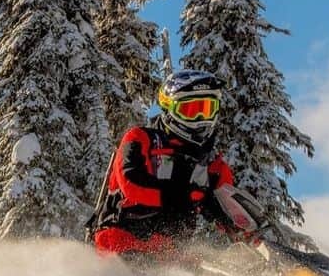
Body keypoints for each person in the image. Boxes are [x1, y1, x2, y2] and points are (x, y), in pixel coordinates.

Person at [87, 70, 254, 257]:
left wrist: (247, 229)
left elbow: (229, 205)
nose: (200, 119)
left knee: (222, 275)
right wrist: (178, 196)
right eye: (190, 110)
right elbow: (131, 182)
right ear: (169, 109)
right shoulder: (141, 138)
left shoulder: (212, 165)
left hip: (170, 255)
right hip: (120, 243)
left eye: (207, 109)